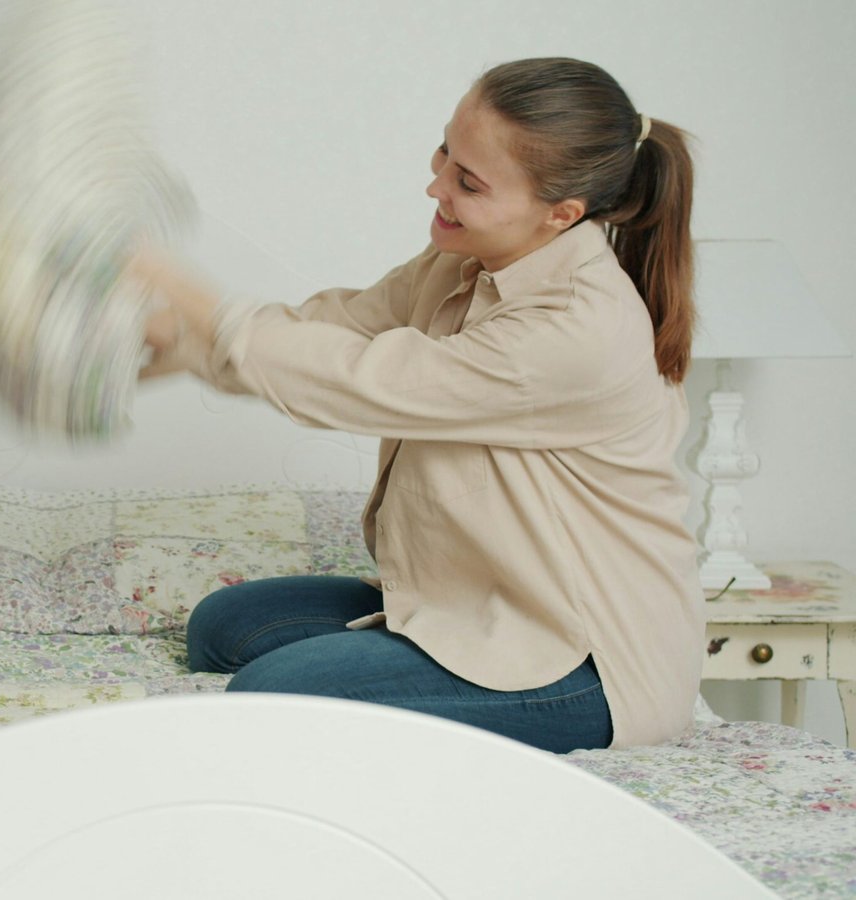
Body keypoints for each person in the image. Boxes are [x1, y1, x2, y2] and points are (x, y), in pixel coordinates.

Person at [134, 58, 702, 752]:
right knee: (226, 627)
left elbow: (365, 381)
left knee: (271, 692)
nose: (435, 185)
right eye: (445, 152)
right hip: (479, 603)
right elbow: (329, 329)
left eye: (468, 181)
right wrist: (170, 338)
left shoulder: (578, 330)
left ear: (562, 213)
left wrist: (179, 284)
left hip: (586, 660)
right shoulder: (463, 260)